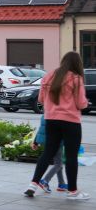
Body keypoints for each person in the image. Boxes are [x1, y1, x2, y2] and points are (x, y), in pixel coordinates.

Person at [24, 52, 90, 200]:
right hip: (70, 121)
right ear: (77, 63)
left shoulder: (49, 76)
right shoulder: (76, 78)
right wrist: (86, 103)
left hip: (51, 119)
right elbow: (80, 103)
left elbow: (41, 99)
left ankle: (33, 185)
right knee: (71, 156)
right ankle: (72, 191)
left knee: (47, 153)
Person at [32, 115, 67, 194]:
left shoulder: (46, 113)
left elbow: (41, 128)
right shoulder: (57, 113)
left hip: (46, 140)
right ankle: (45, 181)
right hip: (56, 141)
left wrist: (35, 141)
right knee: (58, 164)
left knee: (58, 162)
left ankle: (61, 184)